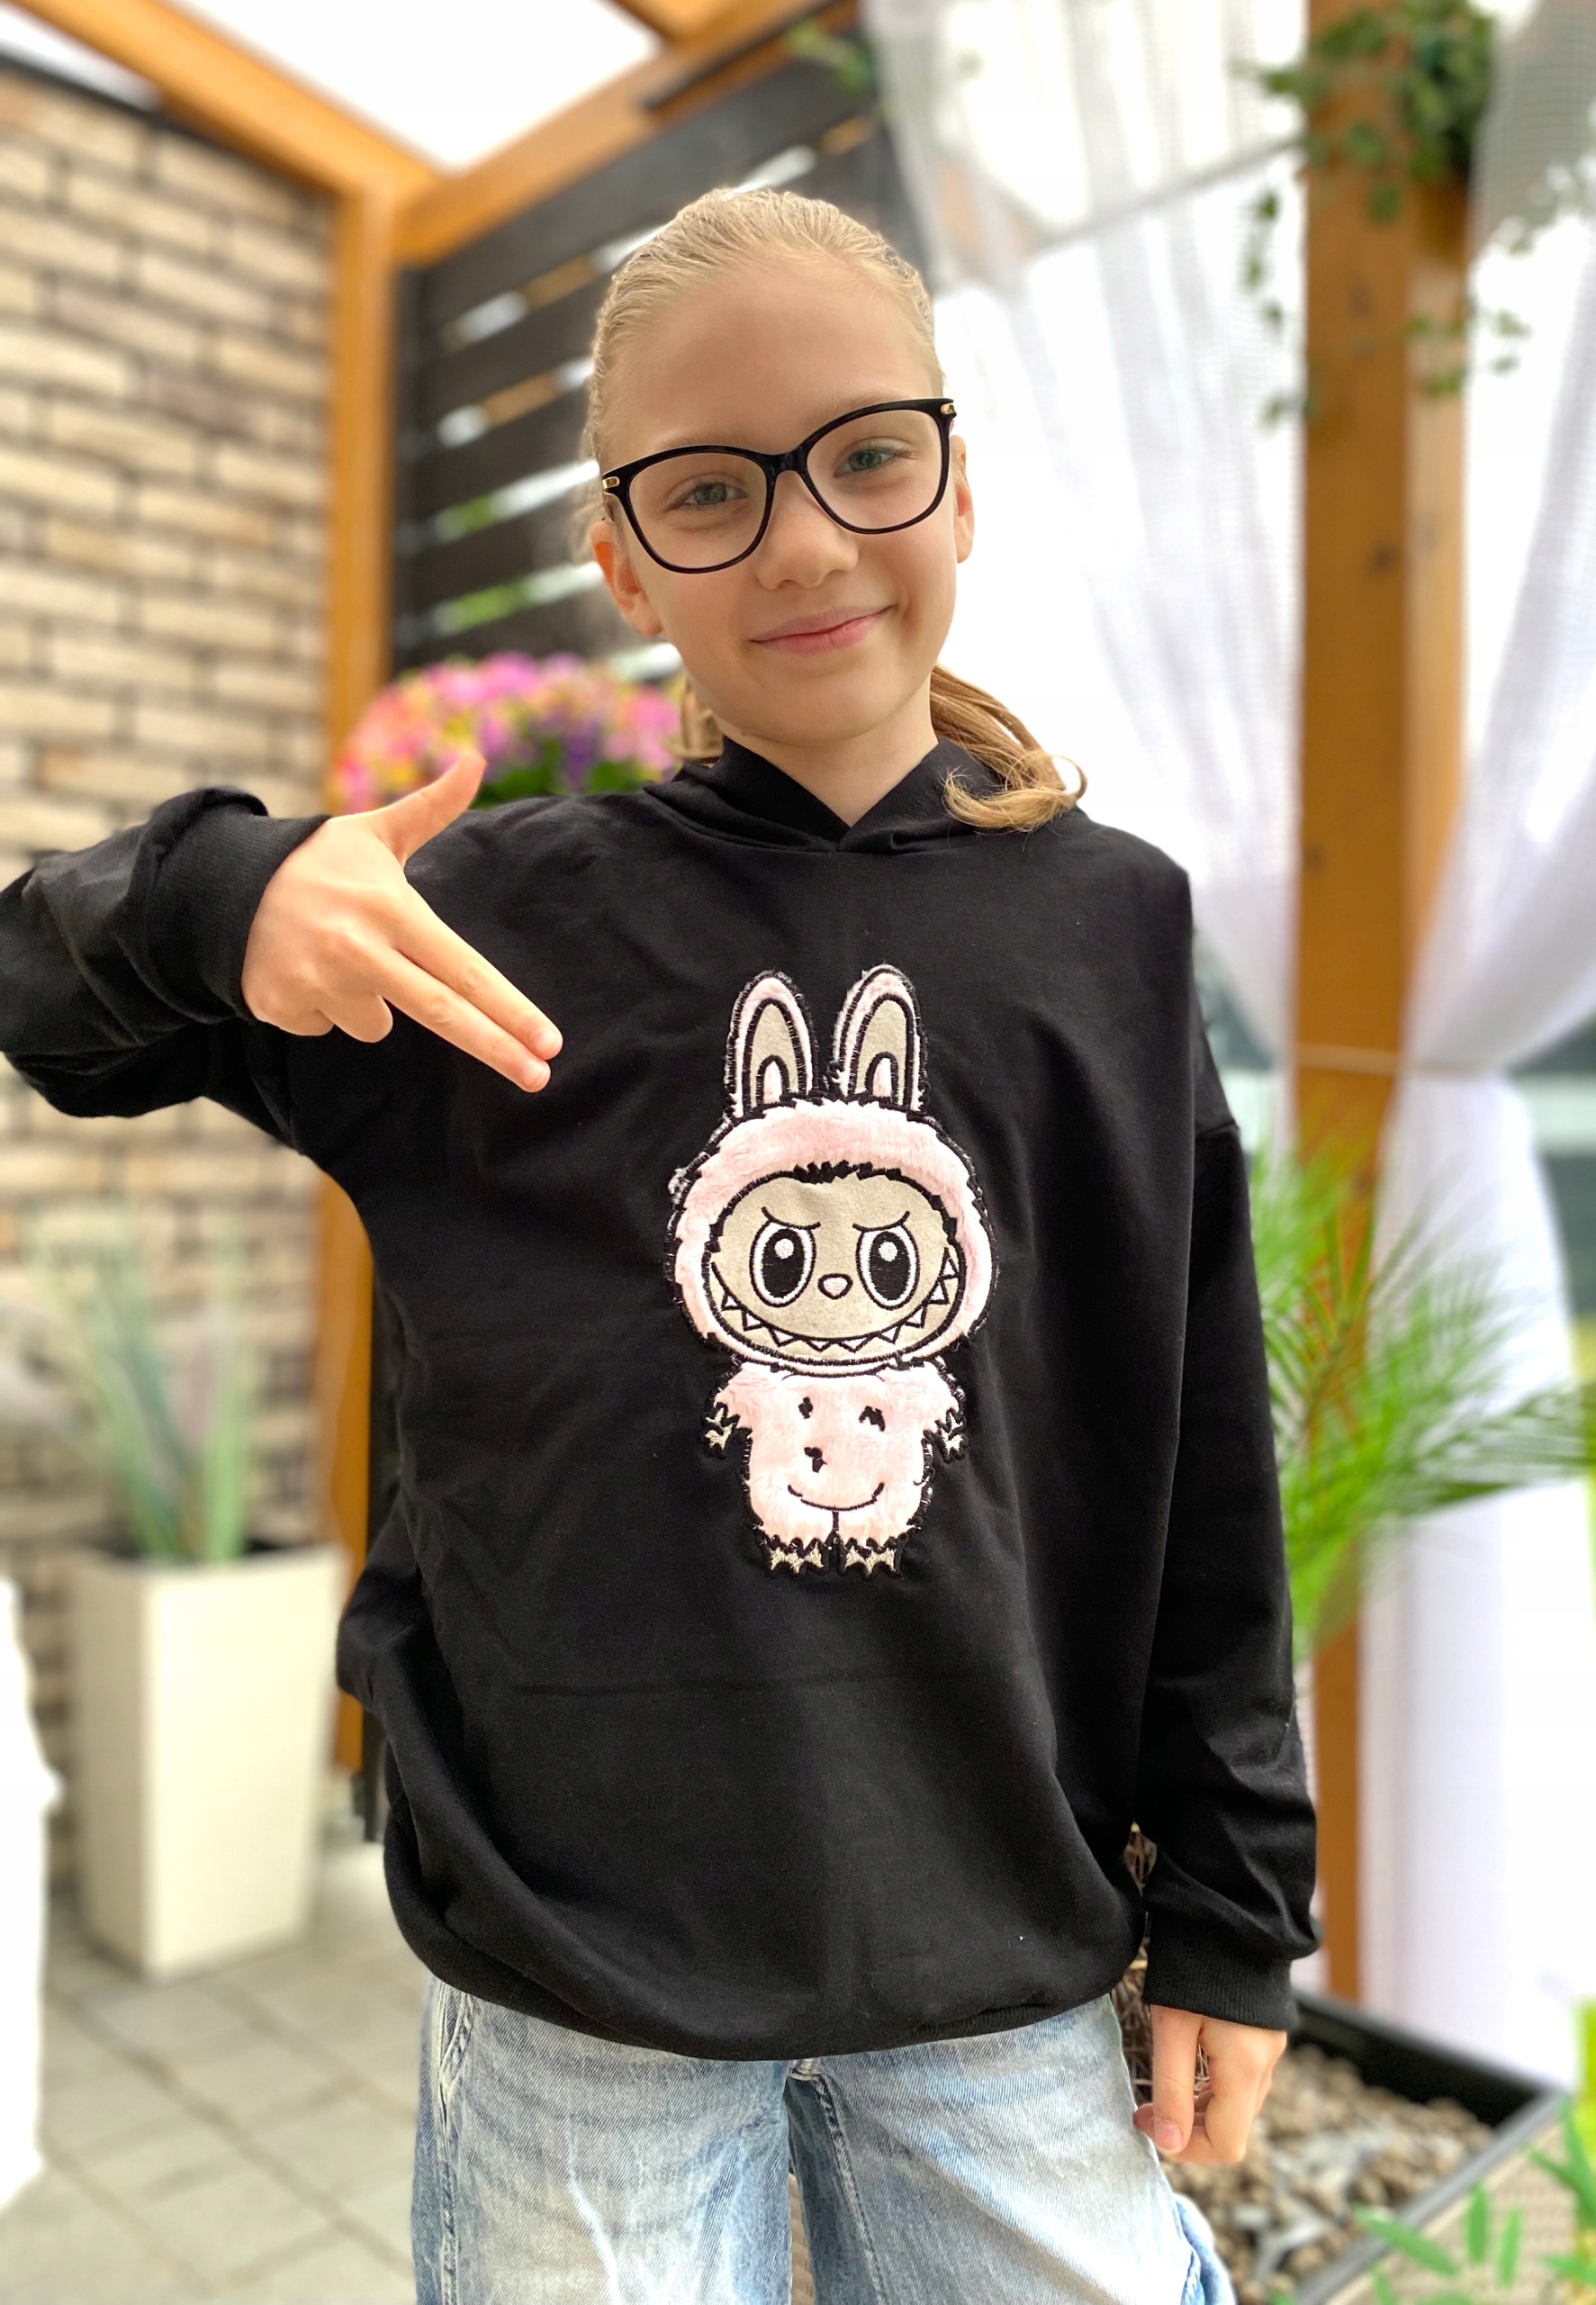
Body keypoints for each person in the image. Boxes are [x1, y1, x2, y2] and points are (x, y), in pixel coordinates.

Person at [0, 188, 1315, 2304]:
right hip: (576, 1986)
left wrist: (1236, 1911)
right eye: (708, 490)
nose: (801, 540)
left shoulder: (1113, 928)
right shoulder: (482, 925)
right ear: (619, 559)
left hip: (999, 1949)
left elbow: (1196, 1460)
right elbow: (43, 999)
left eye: (864, 455)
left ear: (957, 483)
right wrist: (225, 895)